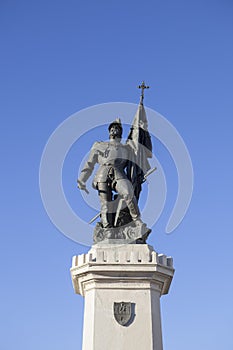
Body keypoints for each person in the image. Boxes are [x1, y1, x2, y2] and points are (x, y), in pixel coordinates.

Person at [77, 118, 141, 229]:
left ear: (120, 132)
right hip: (102, 174)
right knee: (106, 204)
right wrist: (82, 179)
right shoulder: (99, 145)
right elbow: (89, 164)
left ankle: (137, 221)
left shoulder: (127, 148)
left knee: (128, 193)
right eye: (112, 128)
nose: (113, 130)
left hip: (119, 173)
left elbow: (136, 160)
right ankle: (108, 229)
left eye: (116, 128)